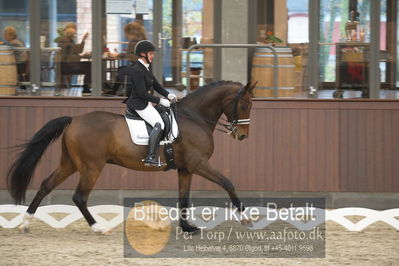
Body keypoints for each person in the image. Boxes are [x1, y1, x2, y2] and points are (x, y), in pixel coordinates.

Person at [123, 40, 177, 166]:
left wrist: (167, 94)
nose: (153, 56)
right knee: (159, 125)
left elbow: (156, 85)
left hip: (145, 102)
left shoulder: (145, 68)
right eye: (151, 53)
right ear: (143, 54)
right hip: (139, 104)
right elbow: (142, 94)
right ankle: (150, 157)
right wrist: (161, 101)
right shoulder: (137, 70)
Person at [57, 24, 91, 95]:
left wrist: (83, 40)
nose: (75, 34)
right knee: (89, 66)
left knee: (89, 65)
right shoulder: (65, 42)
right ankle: (86, 88)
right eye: (74, 33)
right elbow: (72, 54)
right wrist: (81, 56)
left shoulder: (68, 41)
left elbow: (77, 50)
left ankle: (86, 87)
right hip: (68, 66)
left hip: (69, 65)